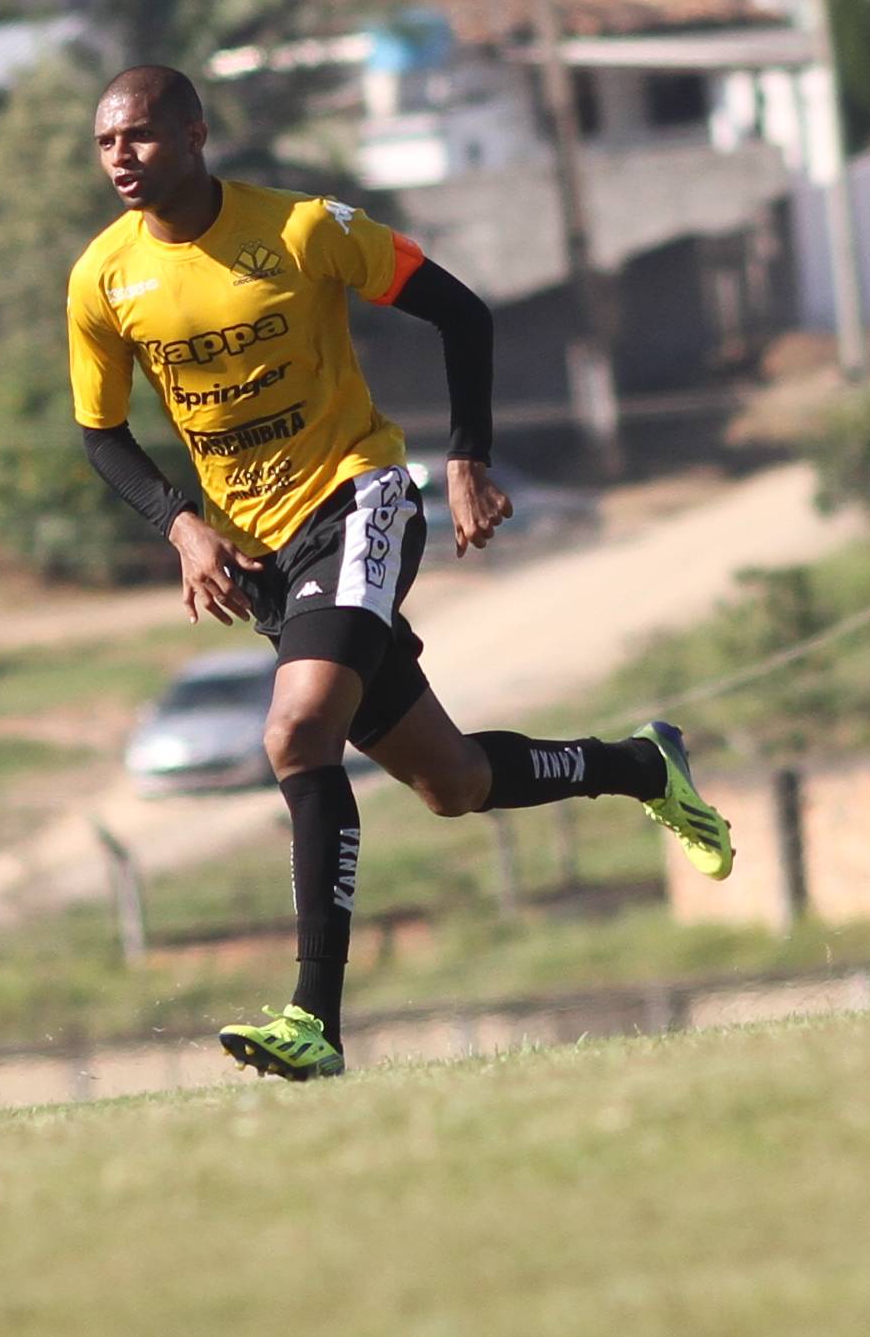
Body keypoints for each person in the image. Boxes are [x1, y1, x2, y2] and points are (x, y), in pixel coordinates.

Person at [67, 65, 733, 1082]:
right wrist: (182, 528)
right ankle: (643, 765)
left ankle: (313, 1018)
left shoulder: (301, 230)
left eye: (143, 136)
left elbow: (462, 312)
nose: (122, 156)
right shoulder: (101, 280)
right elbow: (102, 433)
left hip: (361, 498)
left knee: (294, 732)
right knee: (453, 781)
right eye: (108, 141)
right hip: (263, 555)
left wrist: (465, 461)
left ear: (196, 135)